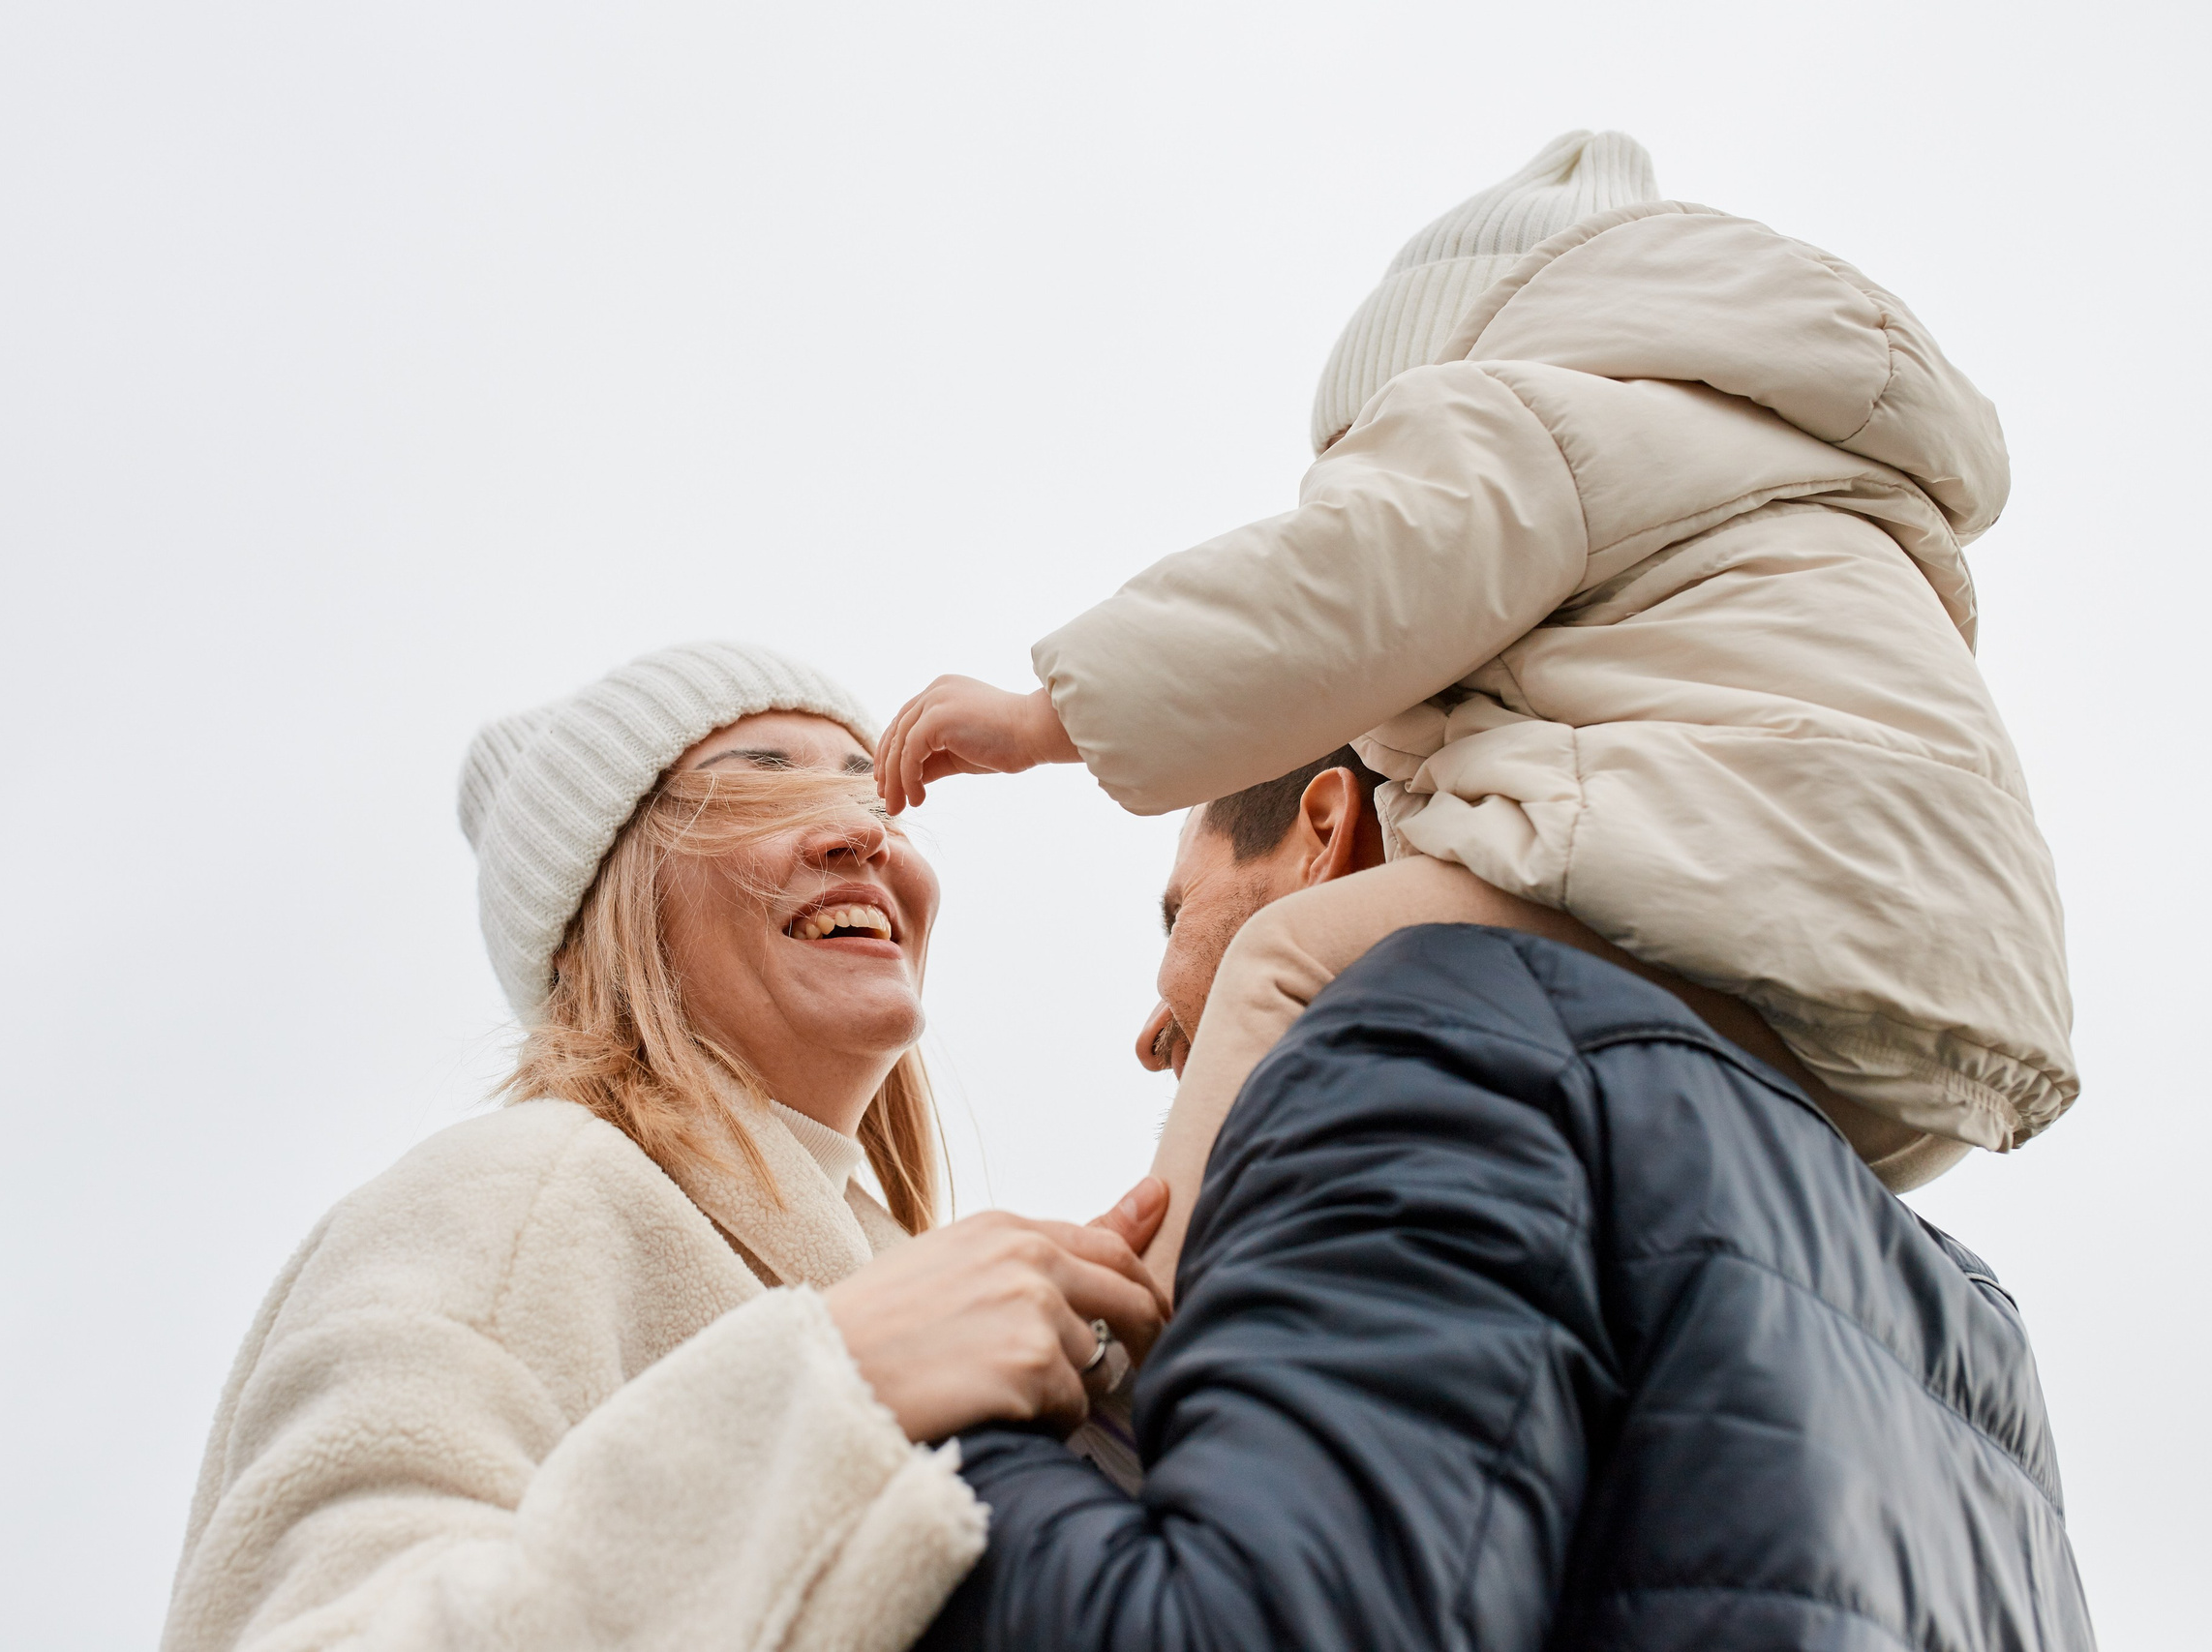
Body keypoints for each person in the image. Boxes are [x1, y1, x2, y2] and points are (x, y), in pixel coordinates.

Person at [875, 132, 2076, 1273]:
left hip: (1753, 901)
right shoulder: (1804, 493)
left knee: (1289, 960)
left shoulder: (1527, 417)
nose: (1365, 472)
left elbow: (1335, 590)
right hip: (1927, 1049)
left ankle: (1161, 1297)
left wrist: (1046, 717)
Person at [160, 641, 1171, 1652]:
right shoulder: (519, 1194)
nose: (862, 837)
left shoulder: (917, 1283)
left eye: (872, 792)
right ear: (604, 906)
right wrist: (834, 1388)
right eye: (764, 780)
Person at [920, 916, 2096, 1650]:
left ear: (1326, 832)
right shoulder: (1963, 1305)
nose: (1153, 1018)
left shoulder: (1432, 1040)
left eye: (1176, 911)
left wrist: (944, 1417)